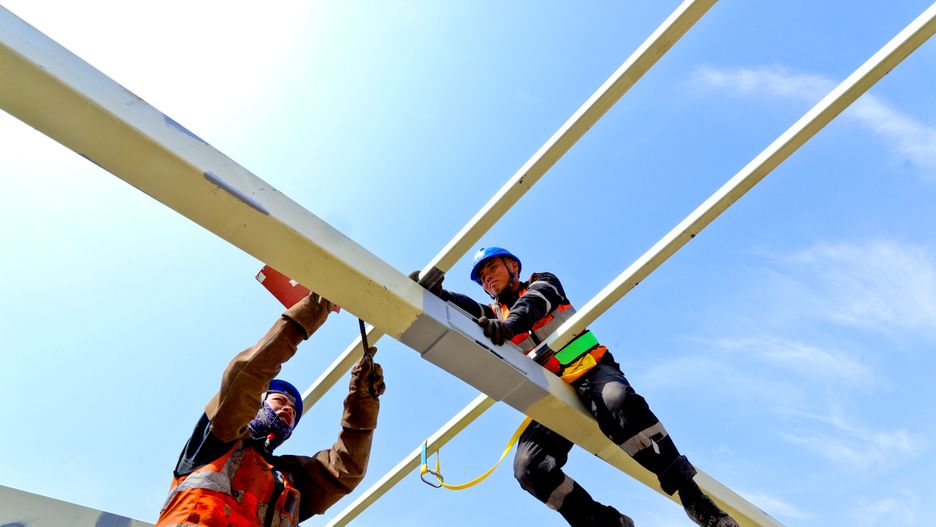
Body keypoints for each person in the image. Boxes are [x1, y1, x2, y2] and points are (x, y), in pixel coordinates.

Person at [414, 247, 737, 527]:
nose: (487, 278)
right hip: (551, 389)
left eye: (492, 269)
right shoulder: (495, 313)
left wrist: (508, 327)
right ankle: (605, 522)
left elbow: (534, 305)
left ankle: (694, 498)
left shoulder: (544, 282)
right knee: (529, 469)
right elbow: (468, 309)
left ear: (513, 267)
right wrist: (440, 293)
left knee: (618, 401)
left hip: (590, 370)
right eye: (482, 278)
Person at [156, 293, 385, 527]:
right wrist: (317, 305)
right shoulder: (221, 436)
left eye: (293, 412)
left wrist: (363, 401)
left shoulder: (290, 479)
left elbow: (344, 471)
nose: (289, 408)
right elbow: (247, 375)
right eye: (280, 400)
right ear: (257, 404)